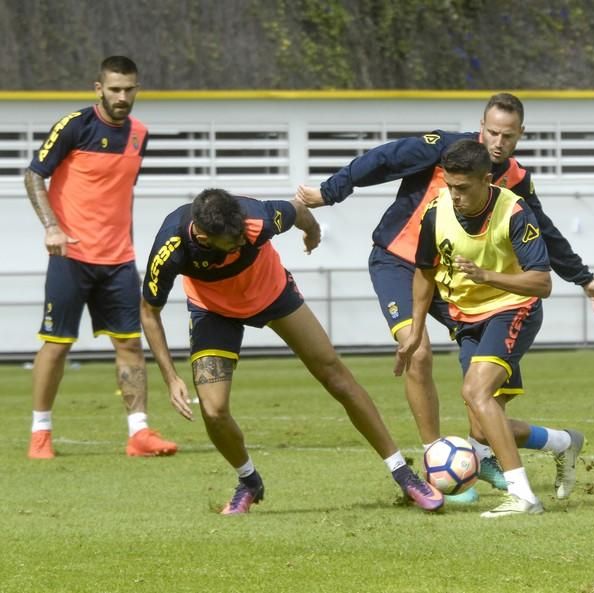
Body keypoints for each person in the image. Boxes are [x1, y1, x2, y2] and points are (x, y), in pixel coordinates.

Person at [296, 92, 594, 498]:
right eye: (492, 132)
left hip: (455, 278)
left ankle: (535, 446)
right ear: (481, 126)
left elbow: (542, 233)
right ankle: (436, 464)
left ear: (520, 135)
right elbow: (386, 158)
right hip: (399, 264)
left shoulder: (515, 179)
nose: (498, 142)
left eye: (508, 136)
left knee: (483, 405)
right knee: (418, 351)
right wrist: (331, 191)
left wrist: (583, 278)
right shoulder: (445, 149)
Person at [139, 188, 443, 514]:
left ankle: (403, 473)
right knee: (213, 410)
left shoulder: (255, 217)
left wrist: (311, 232)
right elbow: (149, 311)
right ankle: (249, 481)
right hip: (213, 310)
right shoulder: (171, 248)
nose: (243, 241)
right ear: (203, 234)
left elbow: (298, 210)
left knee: (335, 375)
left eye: (243, 234)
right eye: (233, 241)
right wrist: (171, 378)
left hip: (272, 293)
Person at [396, 139, 584, 516]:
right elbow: (424, 273)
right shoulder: (435, 213)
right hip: (467, 320)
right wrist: (416, 330)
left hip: (513, 309)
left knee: (475, 391)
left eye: (463, 188)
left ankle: (523, 496)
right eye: (449, 186)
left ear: (487, 179)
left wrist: (487, 276)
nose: (455, 195)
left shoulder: (514, 212)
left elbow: (541, 284)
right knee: (482, 429)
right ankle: (563, 442)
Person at [24, 56, 177, 460]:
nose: (122, 97)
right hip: (71, 255)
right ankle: (40, 433)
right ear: (99, 88)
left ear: (137, 89)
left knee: (129, 342)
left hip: (119, 260)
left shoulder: (140, 134)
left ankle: (139, 433)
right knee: (57, 344)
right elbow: (34, 174)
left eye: (129, 89)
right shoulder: (75, 125)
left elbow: (120, 194)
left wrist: (127, 246)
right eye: (114, 89)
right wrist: (52, 227)